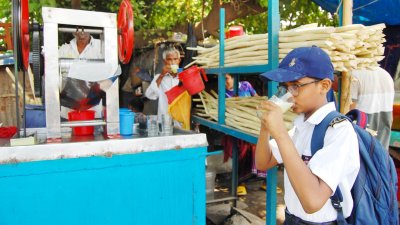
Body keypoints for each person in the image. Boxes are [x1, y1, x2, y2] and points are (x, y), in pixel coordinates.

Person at [256, 46, 359, 224]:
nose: (289, 95)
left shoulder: (339, 130)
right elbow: (263, 163)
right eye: (285, 88)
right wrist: (265, 127)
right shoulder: (300, 127)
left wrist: (280, 133)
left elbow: (312, 201)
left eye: (296, 86)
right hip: (292, 218)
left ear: (324, 85)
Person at [223, 74, 264, 195]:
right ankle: (241, 183)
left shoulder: (246, 85)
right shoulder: (224, 93)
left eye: (226, 78)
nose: (224, 82)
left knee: (264, 149)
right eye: (222, 79)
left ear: (234, 77)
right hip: (238, 125)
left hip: (253, 123)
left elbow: (257, 98)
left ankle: (265, 181)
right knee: (241, 154)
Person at [58, 28, 104, 119]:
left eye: (85, 29)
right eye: (78, 30)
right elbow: (52, 68)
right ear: (73, 31)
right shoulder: (64, 49)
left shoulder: (101, 47)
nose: (82, 34)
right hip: (68, 111)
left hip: (93, 111)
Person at [350, 67, 395, 150]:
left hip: (364, 125)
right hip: (384, 123)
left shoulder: (354, 75)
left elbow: (349, 110)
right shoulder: (386, 74)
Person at [145, 47, 181, 120]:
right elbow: (149, 94)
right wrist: (161, 75)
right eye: (169, 59)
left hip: (180, 119)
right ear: (165, 62)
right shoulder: (159, 77)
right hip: (164, 119)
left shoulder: (184, 76)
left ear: (179, 61)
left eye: (175, 59)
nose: (173, 62)